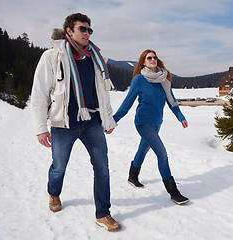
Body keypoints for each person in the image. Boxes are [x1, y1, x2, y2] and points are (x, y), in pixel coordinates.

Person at [30, 13, 121, 232]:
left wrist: (108, 120)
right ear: (69, 31)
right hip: (64, 124)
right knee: (59, 167)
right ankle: (54, 193)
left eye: (90, 30)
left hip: (92, 122)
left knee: (102, 167)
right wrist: (41, 128)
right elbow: (39, 93)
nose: (87, 33)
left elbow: (102, 94)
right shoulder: (53, 57)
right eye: (83, 29)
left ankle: (103, 213)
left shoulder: (95, 58)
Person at [113, 49, 189, 205]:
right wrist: (113, 120)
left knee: (143, 149)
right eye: (149, 58)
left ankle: (132, 176)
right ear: (144, 62)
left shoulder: (164, 80)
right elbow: (127, 103)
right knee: (162, 154)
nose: (153, 59)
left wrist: (181, 117)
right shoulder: (139, 79)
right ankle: (173, 192)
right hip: (143, 122)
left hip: (156, 123)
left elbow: (172, 102)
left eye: (155, 57)